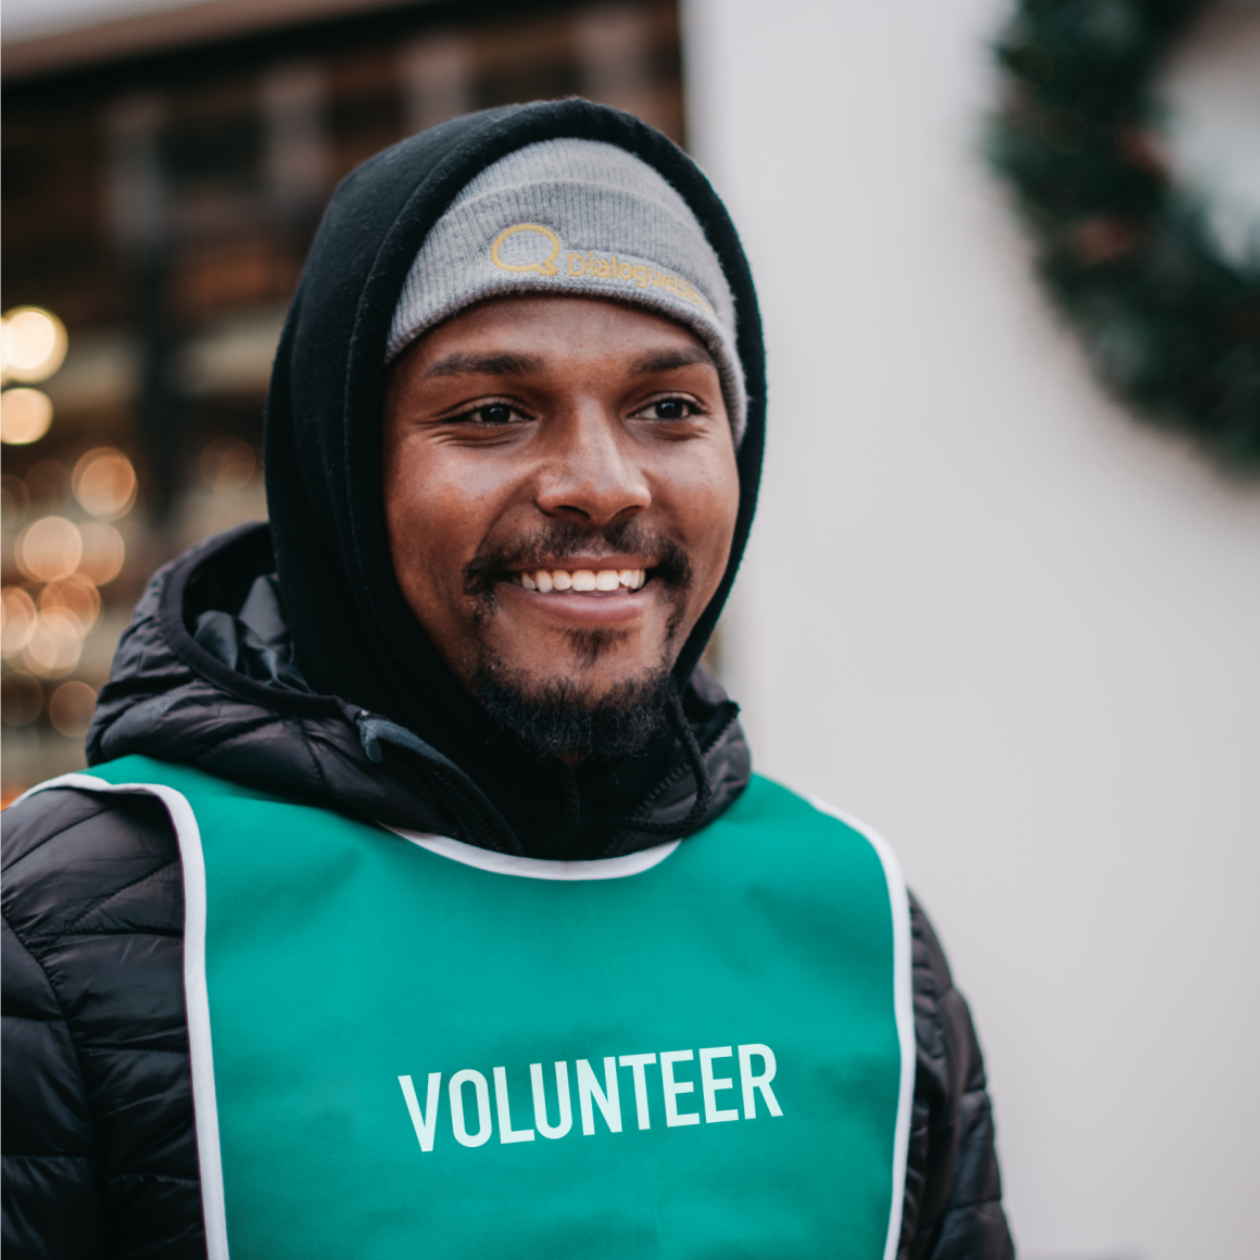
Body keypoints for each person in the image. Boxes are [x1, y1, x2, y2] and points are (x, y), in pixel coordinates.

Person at [0, 100, 1013, 1259]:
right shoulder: (73, 928)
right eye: (493, 412)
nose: (602, 483)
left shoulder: (865, 929)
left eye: (670, 406)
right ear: (345, 471)